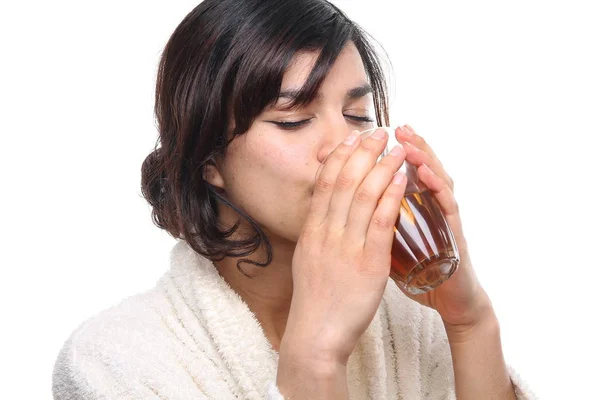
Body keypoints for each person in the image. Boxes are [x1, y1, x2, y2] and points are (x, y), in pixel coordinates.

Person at [52, 0, 535, 399]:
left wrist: (469, 322)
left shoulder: (409, 319)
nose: (343, 145)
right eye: (293, 120)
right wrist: (316, 359)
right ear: (209, 159)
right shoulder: (114, 361)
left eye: (358, 114)